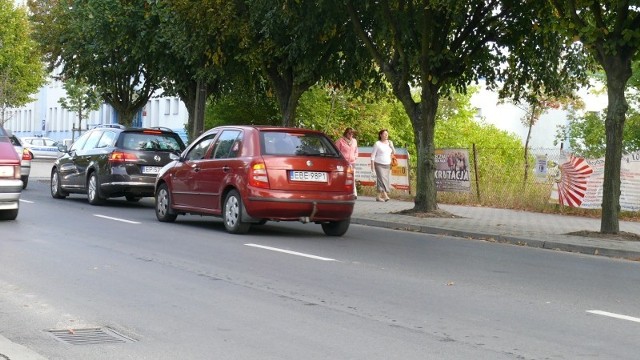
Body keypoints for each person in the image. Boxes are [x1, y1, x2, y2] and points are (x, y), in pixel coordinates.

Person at [370, 129, 395, 202]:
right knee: (381, 180)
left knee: (384, 180)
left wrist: (392, 146)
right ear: (380, 135)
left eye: (387, 134)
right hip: (379, 164)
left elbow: (394, 152)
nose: (386, 135)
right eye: (384, 134)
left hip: (387, 164)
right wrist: (372, 166)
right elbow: (373, 155)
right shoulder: (377, 143)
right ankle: (385, 195)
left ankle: (378, 197)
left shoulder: (390, 142)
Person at [335, 127, 358, 197]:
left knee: (352, 177)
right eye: (349, 133)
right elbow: (336, 151)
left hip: (352, 162)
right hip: (342, 162)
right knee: (342, 177)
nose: (351, 135)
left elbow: (356, 150)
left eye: (352, 134)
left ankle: (354, 193)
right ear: (346, 133)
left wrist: (355, 157)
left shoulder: (354, 141)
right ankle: (340, 192)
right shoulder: (340, 141)